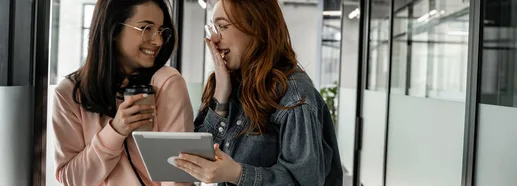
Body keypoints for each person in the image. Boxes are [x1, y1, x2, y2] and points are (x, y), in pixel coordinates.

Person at [172, 0, 343, 185]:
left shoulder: (294, 94)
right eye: (213, 28)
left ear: (256, 26)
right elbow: (198, 155)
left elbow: (305, 181)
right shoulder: (231, 84)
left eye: (222, 26)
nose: (214, 38)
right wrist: (221, 94)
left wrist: (237, 174)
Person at [52, 0, 193, 185]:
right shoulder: (69, 93)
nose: (158, 41)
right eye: (146, 28)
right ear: (113, 30)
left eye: (161, 30)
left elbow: (177, 176)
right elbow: (72, 179)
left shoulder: (167, 82)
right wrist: (116, 131)